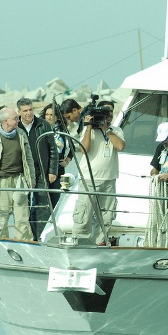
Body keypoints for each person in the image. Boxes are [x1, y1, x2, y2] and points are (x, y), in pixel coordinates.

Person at [0, 107, 36, 240]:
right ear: (5, 121)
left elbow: (29, 158)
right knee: (1, 217)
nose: (18, 120)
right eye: (15, 118)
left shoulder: (21, 134)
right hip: (0, 181)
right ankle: (0, 243)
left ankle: (24, 243)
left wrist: (31, 179)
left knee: (22, 217)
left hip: (19, 180)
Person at [74, 100, 125, 245]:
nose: (107, 117)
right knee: (84, 214)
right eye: (104, 114)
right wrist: (89, 127)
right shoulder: (88, 129)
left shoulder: (116, 130)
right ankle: (79, 244)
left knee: (106, 217)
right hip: (89, 179)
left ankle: (99, 244)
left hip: (109, 179)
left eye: (110, 114)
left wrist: (107, 129)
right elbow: (84, 149)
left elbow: (120, 146)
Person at [16, 98, 59, 240]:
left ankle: (40, 236)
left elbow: (53, 149)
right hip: (22, 172)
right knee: (22, 204)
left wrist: (53, 170)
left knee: (43, 205)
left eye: (31, 110)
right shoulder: (16, 126)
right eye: (25, 111)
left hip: (42, 171)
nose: (29, 113)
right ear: (19, 112)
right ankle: (26, 236)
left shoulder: (43, 125)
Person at [40, 103, 74, 207]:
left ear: (57, 117)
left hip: (58, 168)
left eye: (51, 115)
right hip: (43, 167)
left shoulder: (62, 130)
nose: (48, 117)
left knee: (55, 198)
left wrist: (67, 160)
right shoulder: (40, 128)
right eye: (47, 114)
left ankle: (52, 220)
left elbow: (72, 147)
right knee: (41, 199)